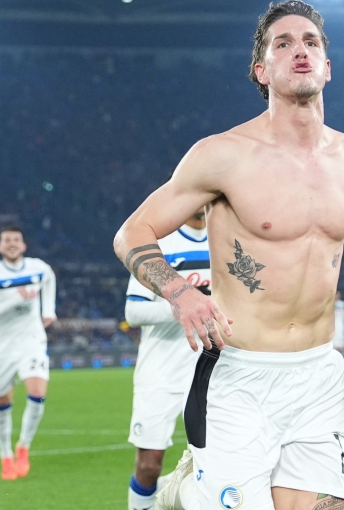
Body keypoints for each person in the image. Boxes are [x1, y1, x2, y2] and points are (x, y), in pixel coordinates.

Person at [113, 0, 344, 510]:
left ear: (328, 67)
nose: (300, 51)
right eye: (282, 44)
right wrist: (179, 294)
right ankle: (186, 489)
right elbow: (133, 232)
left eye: (311, 42)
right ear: (262, 72)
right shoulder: (221, 155)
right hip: (238, 375)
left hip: (318, 374)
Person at [125, 209, 211, 510]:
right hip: (161, 370)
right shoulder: (160, 247)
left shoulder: (229, 243)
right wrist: (184, 306)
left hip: (216, 369)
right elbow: (133, 312)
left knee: (218, 462)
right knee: (149, 465)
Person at [0, 226, 56, 481]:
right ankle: (5, 455)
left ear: (24, 245)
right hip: (2, 347)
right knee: (2, 402)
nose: (12, 244)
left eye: (16, 240)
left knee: (37, 394)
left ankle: (24, 447)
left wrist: (48, 310)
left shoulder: (38, 268)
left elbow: (50, 278)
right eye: (7, 240)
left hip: (32, 341)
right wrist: (15, 300)